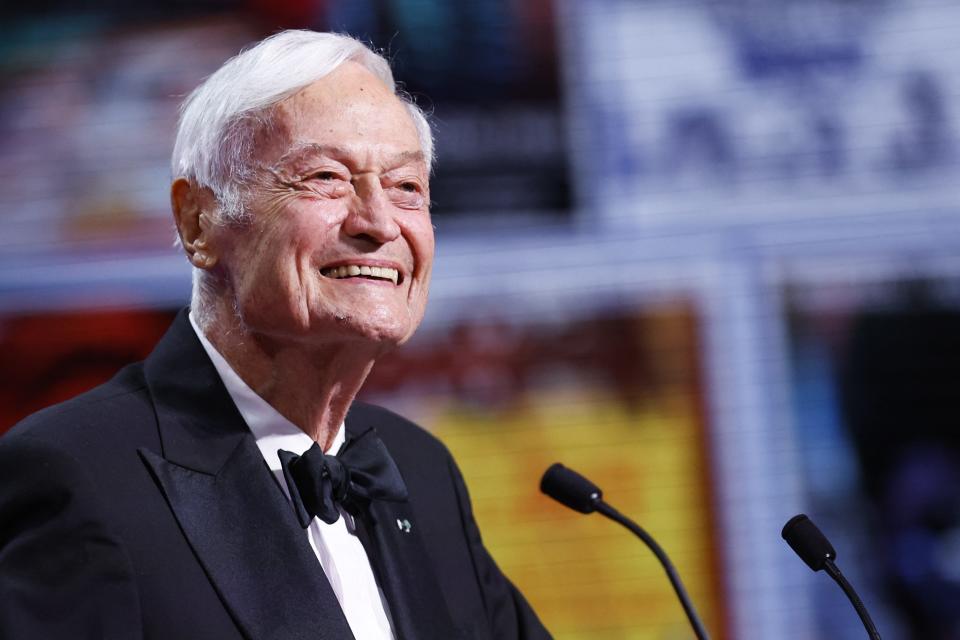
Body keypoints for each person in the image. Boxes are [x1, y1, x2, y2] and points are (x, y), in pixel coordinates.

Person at [0, 30, 550, 640]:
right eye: (325, 177)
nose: (378, 222)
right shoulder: (79, 474)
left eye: (406, 187)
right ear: (198, 222)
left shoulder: (422, 470)